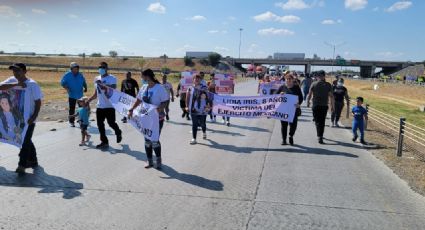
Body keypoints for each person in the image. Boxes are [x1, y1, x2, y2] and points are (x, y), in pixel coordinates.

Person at [0, 63, 43, 174]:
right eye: (14, 71)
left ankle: (22, 165)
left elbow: (38, 102)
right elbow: (1, 87)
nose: (15, 73)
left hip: (29, 119)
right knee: (26, 139)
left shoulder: (32, 85)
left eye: (18, 71)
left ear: (24, 71)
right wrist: (16, 83)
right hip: (16, 118)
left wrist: (33, 116)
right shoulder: (11, 80)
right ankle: (33, 160)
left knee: (24, 141)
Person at [128, 69, 169, 169]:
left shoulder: (159, 88)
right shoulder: (144, 87)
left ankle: (158, 160)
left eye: (142, 76)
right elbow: (138, 99)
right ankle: (150, 161)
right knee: (147, 140)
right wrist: (132, 109)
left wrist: (160, 109)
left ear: (147, 76)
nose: (141, 78)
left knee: (154, 139)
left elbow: (165, 101)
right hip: (145, 119)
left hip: (157, 118)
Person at [87, 62, 122, 149]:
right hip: (100, 106)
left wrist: (104, 85)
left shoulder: (112, 78)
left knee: (111, 123)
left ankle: (118, 131)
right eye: (100, 67)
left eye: (103, 67)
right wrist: (89, 100)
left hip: (109, 106)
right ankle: (104, 141)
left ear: (107, 68)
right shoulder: (96, 78)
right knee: (100, 124)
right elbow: (96, 94)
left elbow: (113, 89)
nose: (101, 69)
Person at [307, 70, 334, 144]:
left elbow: (309, 94)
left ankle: (319, 136)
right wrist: (332, 106)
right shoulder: (328, 85)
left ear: (318, 76)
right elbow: (331, 96)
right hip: (324, 106)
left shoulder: (314, 83)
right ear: (324, 76)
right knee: (322, 121)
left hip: (315, 105)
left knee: (317, 121)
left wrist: (308, 102)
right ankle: (320, 135)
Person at [276, 74, 303, 145]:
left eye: (290, 79)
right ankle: (284, 140)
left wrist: (298, 104)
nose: (288, 80)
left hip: (293, 110)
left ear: (292, 80)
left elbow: (301, 97)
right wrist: (279, 95)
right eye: (287, 79)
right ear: (285, 80)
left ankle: (291, 136)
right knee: (284, 125)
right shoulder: (282, 87)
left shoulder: (296, 88)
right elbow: (274, 96)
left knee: (293, 125)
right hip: (284, 110)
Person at [60, 62, 87, 127]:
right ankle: (72, 122)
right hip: (72, 94)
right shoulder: (67, 75)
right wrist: (66, 88)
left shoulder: (80, 75)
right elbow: (62, 83)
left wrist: (85, 87)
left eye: (77, 68)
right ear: (71, 69)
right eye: (74, 69)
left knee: (81, 108)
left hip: (80, 94)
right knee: (72, 108)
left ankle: (81, 120)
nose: (76, 70)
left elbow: (84, 82)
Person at [186, 74, 211, 144]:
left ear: (200, 80)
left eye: (198, 78)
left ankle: (204, 132)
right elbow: (187, 98)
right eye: (195, 78)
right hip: (193, 109)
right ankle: (194, 138)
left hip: (203, 109)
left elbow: (208, 97)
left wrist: (208, 106)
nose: (196, 80)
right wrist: (187, 106)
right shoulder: (190, 88)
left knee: (203, 123)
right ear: (193, 80)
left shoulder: (204, 88)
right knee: (194, 124)